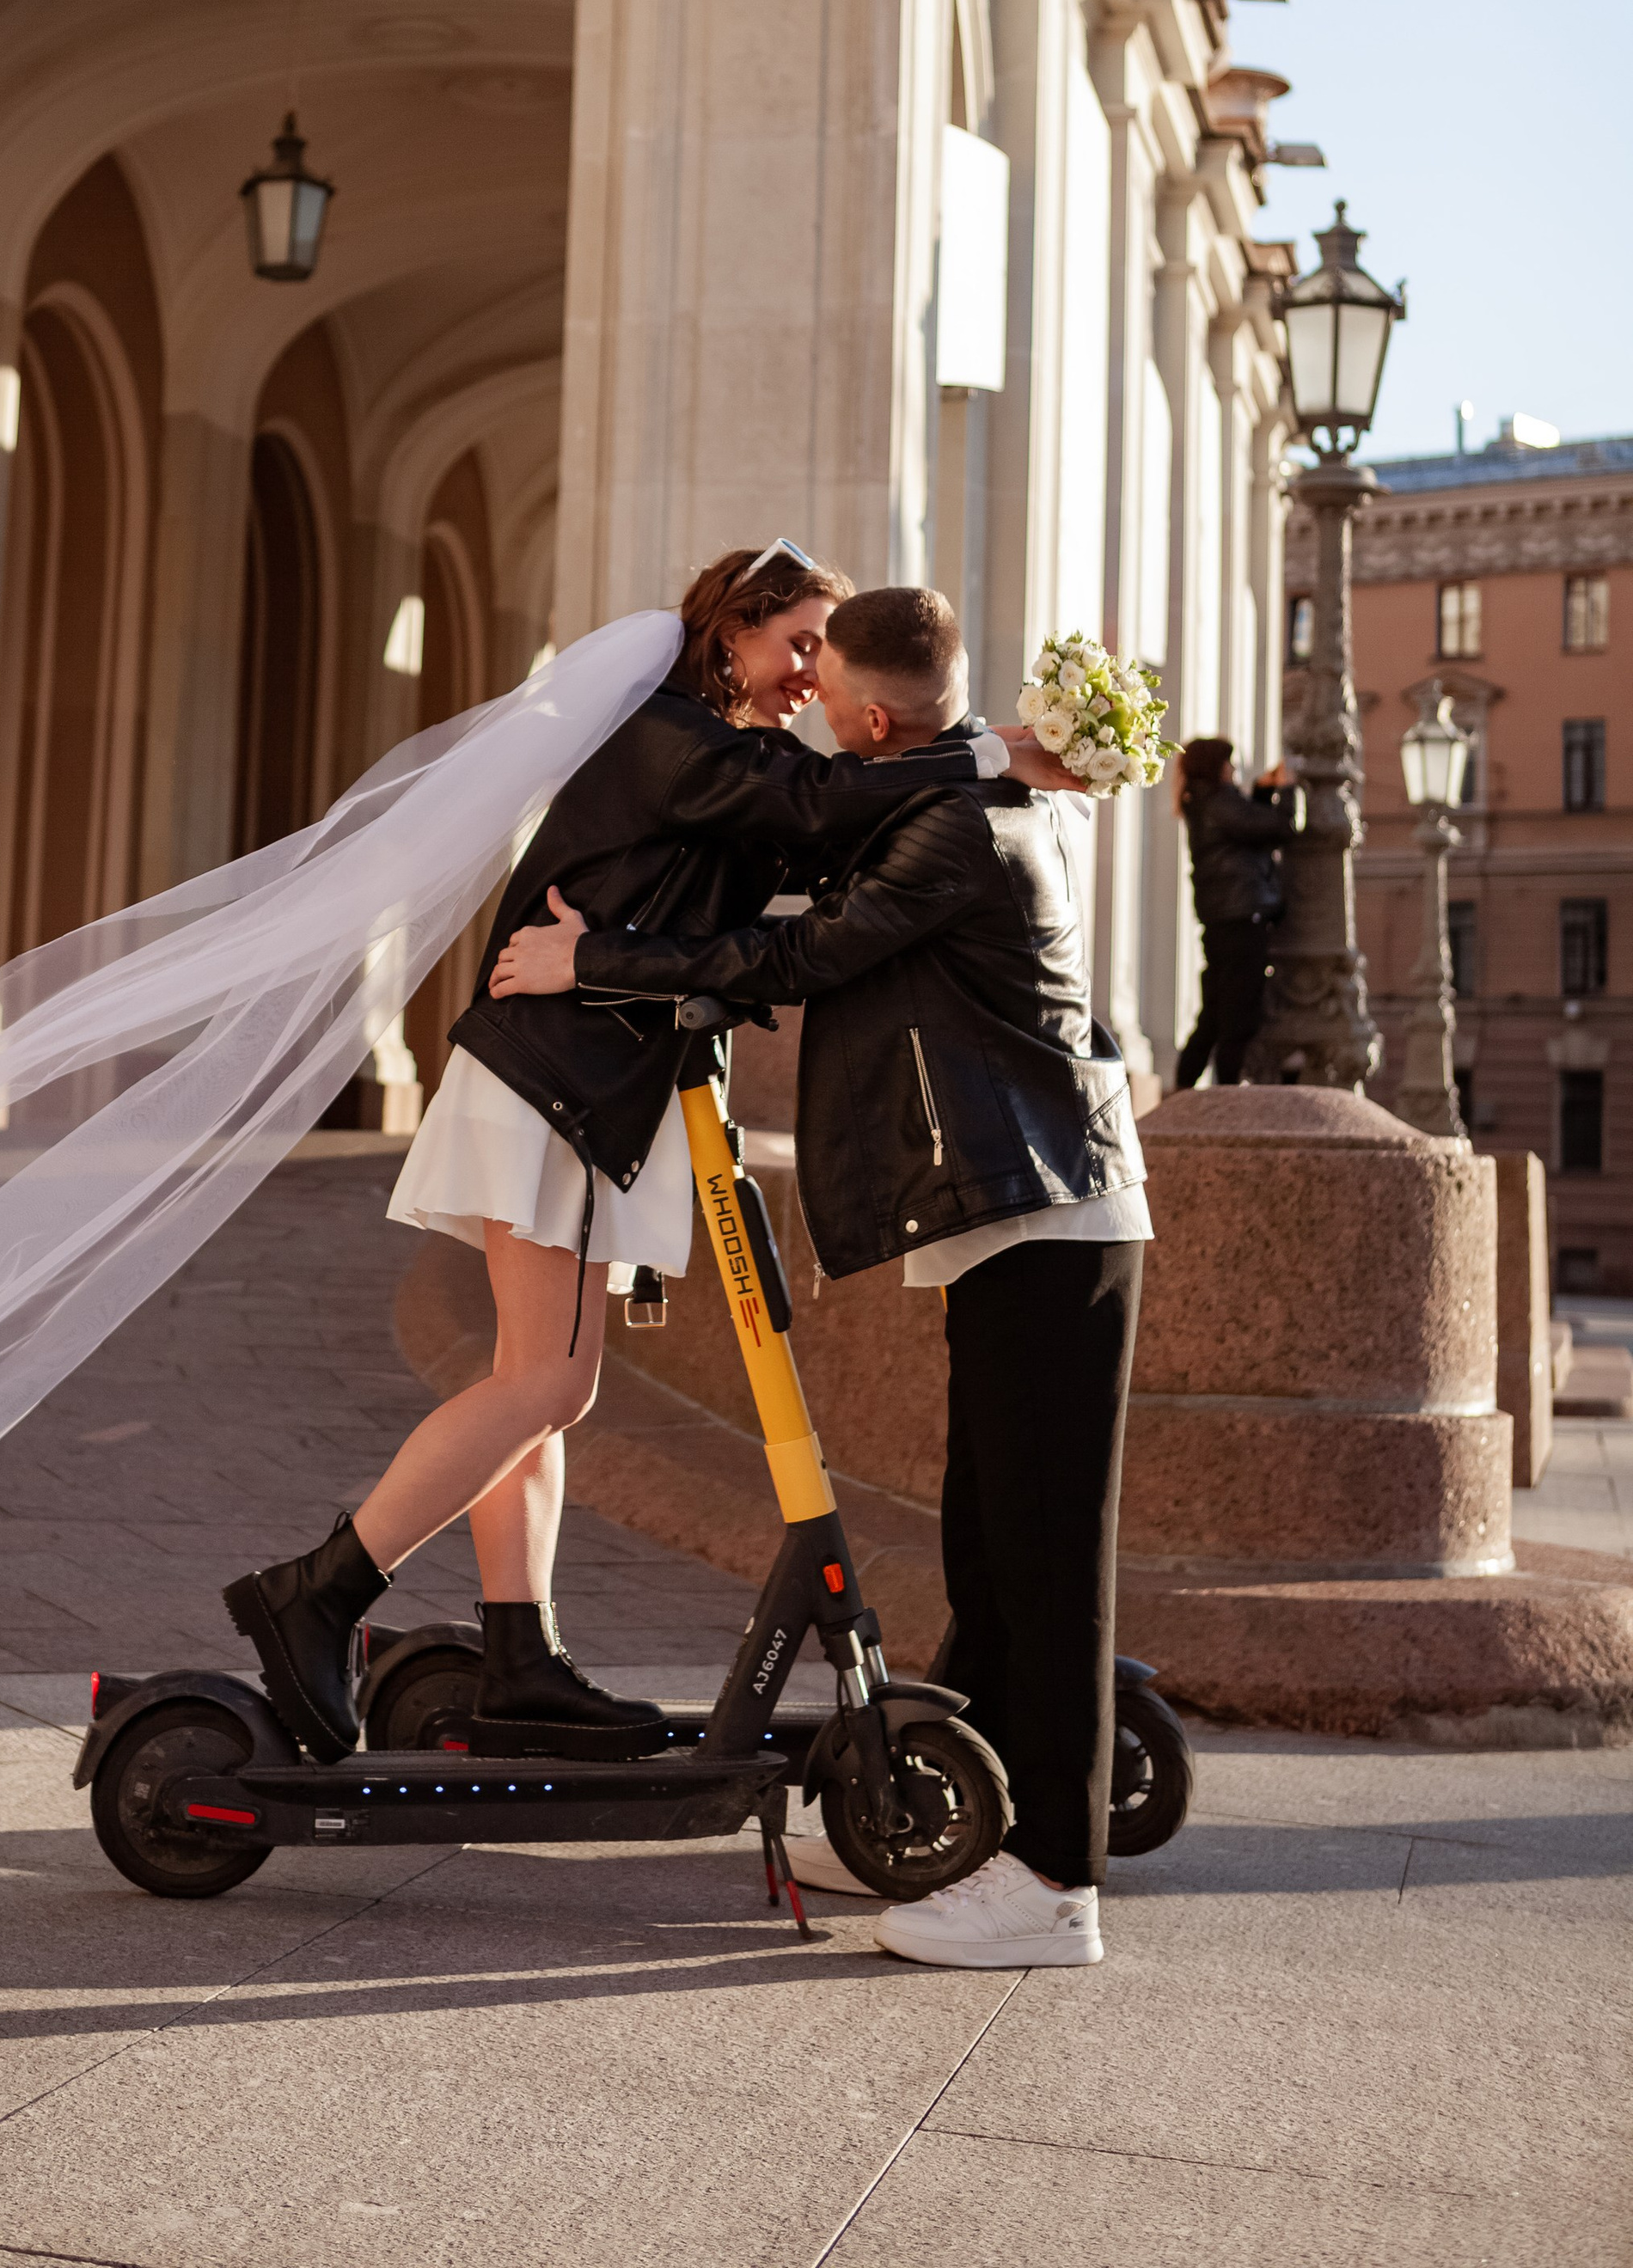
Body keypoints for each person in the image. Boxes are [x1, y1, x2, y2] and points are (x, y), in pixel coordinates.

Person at [223, 543, 1082, 1769]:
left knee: (539, 1383)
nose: (807, 675)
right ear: (733, 630)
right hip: (556, 1081)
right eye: (798, 644)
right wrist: (998, 749)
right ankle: (316, 1591)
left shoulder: (723, 757)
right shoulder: (668, 733)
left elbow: (818, 843)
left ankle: (519, 1660)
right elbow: (816, 809)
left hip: (574, 1084)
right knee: (550, 1385)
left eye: (825, 657)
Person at [491, 584, 1148, 1970]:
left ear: (866, 711)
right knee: (993, 1547)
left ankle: (1051, 1884)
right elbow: (790, 886)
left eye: (825, 691)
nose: (814, 723)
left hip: (1058, 1219)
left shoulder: (960, 831)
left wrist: (584, 960)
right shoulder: (951, 806)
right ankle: (948, 1824)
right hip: (1019, 1217)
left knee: (1048, 1560)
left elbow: (800, 951)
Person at [1171, 736, 1294, 1089]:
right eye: (1230, 762)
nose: (1234, 768)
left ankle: (1183, 1094)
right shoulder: (1218, 803)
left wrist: (1260, 788)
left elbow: (1249, 829)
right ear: (1216, 766)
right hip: (1242, 920)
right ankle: (1226, 1094)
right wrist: (1285, 791)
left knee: (1214, 1015)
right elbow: (1277, 828)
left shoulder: (1206, 801)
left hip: (1224, 922)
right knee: (1238, 1016)